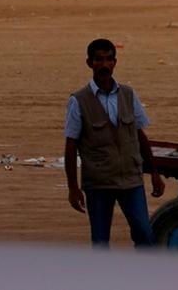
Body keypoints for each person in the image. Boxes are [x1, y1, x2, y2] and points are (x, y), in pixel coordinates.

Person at [63, 38, 165, 247]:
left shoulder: (127, 94)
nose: (104, 64)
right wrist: (73, 188)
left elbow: (139, 135)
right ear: (89, 63)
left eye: (109, 59)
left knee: (145, 235)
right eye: (99, 60)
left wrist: (154, 172)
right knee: (100, 241)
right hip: (98, 182)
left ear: (115, 62)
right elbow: (71, 145)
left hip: (131, 179)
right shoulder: (79, 100)